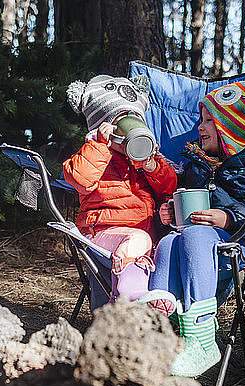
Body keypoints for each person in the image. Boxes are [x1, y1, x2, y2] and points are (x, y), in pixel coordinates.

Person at [149, 71, 245, 377]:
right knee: (168, 242)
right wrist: (168, 212)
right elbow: (186, 199)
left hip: (242, 244)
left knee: (194, 237)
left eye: (208, 122)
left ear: (234, 127)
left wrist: (229, 218)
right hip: (196, 244)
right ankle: (159, 330)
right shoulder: (200, 159)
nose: (198, 127)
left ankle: (201, 340)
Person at [64, 74, 178, 313]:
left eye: (136, 120)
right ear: (106, 127)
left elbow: (169, 188)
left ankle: (163, 317)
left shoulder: (142, 162)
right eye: (122, 121)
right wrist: (99, 143)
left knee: (165, 245)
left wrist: (151, 165)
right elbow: (80, 179)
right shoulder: (94, 153)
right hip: (101, 235)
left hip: (140, 238)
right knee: (138, 240)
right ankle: (130, 299)